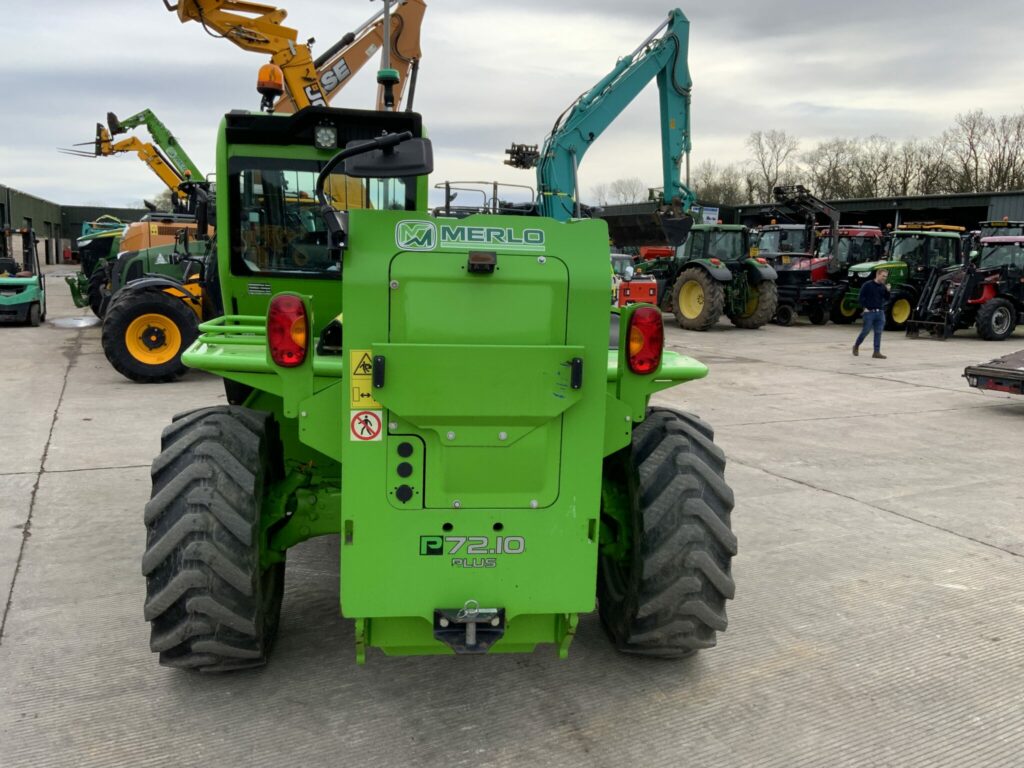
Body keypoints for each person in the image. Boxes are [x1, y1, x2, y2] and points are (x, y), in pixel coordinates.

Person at [852, 269, 890, 359]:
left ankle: (876, 352)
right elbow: (861, 297)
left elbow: (887, 298)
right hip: (869, 312)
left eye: (886, 276)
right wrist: (865, 308)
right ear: (878, 275)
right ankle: (856, 346)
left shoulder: (883, 286)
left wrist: (888, 291)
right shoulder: (867, 285)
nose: (884, 278)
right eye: (883, 276)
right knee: (866, 331)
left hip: (880, 312)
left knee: (878, 332)